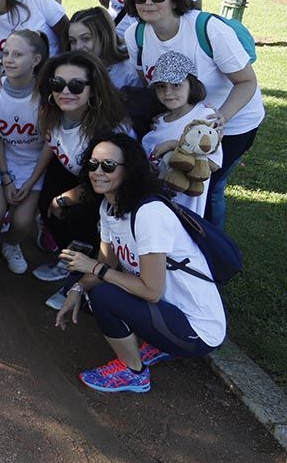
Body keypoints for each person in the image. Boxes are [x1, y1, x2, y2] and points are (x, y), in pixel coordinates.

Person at [56, 134, 227, 394]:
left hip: (198, 329)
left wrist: (93, 269)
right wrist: (77, 289)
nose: (97, 172)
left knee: (103, 294)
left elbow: (150, 290)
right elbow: (106, 262)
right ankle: (156, 342)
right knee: (81, 283)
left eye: (108, 166)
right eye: (92, 164)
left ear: (130, 170)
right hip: (169, 308)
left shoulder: (149, 214)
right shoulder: (109, 207)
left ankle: (134, 372)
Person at [121, 0, 263, 228]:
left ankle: (213, 252)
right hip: (182, 121)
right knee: (172, 182)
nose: (148, 2)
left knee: (209, 187)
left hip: (232, 120)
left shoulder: (207, 29)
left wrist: (221, 119)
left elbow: (246, 82)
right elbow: (151, 83)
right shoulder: (136, 35)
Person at [33, 51, 131, 286]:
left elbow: (106, 182)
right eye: (57, 84)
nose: (65, 91)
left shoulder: (108, 131)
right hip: (80, 177)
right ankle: (70, 260)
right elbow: (53, 146)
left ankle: (81, 281)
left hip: (111, 191)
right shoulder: (55, 113)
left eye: (76, 85)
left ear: (93, 89)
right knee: (45, 198)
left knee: (76, 214)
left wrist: (63, 199)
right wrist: (32, 183)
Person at [0, 30, 50, 273]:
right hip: (4, 159)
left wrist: (30, 182)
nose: (8, 59)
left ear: (36, 60)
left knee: (22, 222)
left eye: (18, 54)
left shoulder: (46, 97)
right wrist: (6, 177)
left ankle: (11, 244)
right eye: (6, 53)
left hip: (35, 164)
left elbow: (50, 144)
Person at [141, 51, 221, 218]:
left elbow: (212, 164)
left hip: (188, 212)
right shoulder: (157, 125)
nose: (168, 92)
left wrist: (172, 145)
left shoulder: (204, 117)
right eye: (161, 86)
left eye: (176, 85)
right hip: (157, 209)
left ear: (191, 84)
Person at [67, 7, 141, 89]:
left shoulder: (129, 72)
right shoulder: (69, 70)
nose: (78, 47)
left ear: (104, 37)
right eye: (73, 41)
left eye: (85, 39)